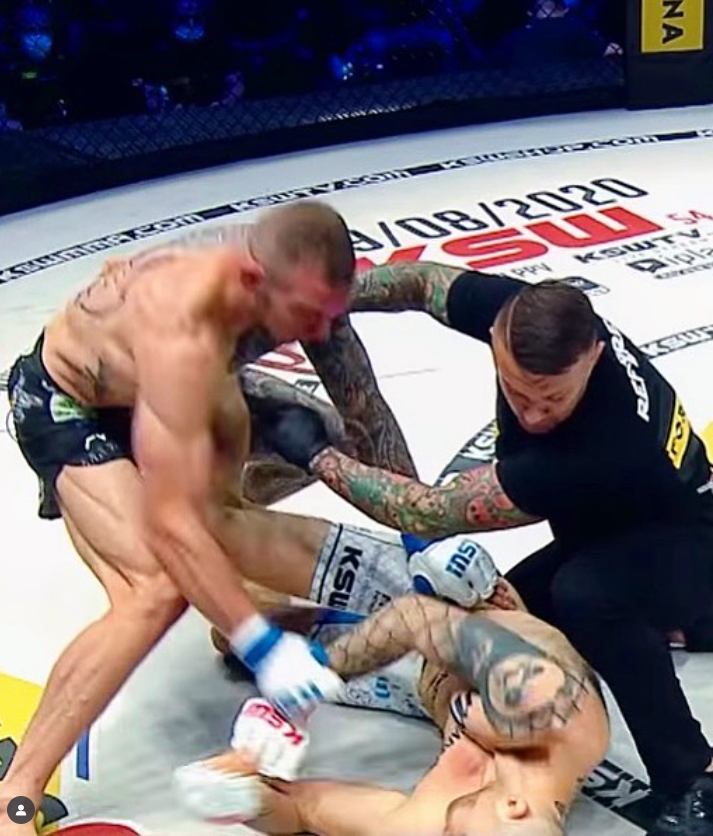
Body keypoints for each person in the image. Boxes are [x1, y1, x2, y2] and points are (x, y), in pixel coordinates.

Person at [248, 261, 713, 836]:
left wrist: (316, 456)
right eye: (517, 391)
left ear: (595, 354)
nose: (532, 414)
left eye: (552, 399)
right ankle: (683, 617)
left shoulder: (604, 443)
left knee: (586, 600)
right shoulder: (526, 316)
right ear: (496, 335)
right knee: (507, 611)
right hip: (615, 535)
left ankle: (697, 776)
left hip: (695, 545)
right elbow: (422, 284)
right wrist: (334, 299)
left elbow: (423, 512)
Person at [0, 202, 418, 832]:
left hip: (166, 391)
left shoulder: (289, 286)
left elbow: (366, 413)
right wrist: (264, 645)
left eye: (329, 315)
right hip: (70, 405)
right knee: (154, 589)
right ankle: (18, 790)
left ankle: (233, 609)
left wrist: (418, 537)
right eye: (308, 315)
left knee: (305, 439)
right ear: (253, 280)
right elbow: (171, 526)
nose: (319, 331)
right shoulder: (182, 329)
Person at [176, 516, 609, 836]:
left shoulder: (428, 823)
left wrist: (239, 797)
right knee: (222, 530)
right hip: (453, 603)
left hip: (417, 679)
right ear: (514, 807)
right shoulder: (550, 709)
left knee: (231, 636)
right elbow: (415, 616)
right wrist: (308, 682)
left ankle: (322, 623)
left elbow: (303, 810)